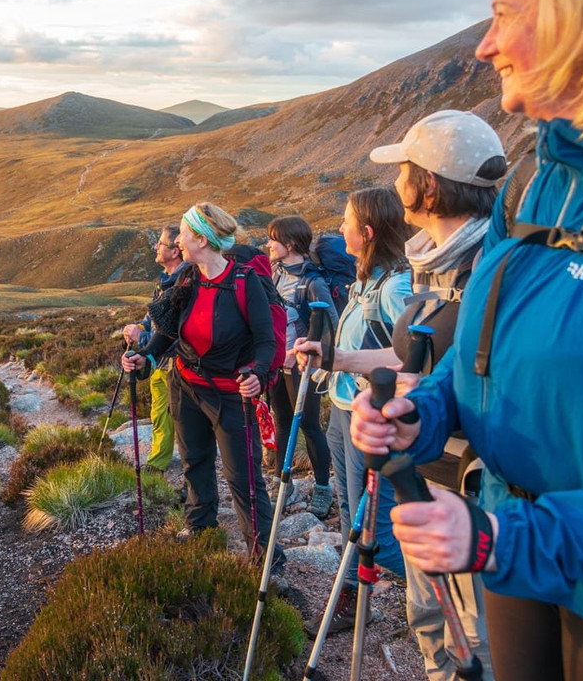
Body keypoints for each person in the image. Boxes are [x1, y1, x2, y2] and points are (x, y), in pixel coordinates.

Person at [350, 0, 583, 681]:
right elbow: (483, 358)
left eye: (503, 16)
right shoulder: (529, 185)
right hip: (512, 554)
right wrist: (422, 415)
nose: (486, 44)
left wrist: (504, 539)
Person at [368, 109, 507, 680]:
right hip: (424, 474)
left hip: (475, 496)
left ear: (426, 184)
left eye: (404, 168)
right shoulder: (427, 263)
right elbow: (422, 366)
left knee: (479, 639)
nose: (396, 180)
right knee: (430, 618)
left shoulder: (493, 269)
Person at [122, 203, 287, 579]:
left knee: (242, 477)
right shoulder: (186, 280)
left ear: (201, 239)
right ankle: (200, 527)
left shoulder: (245, 283)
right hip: (186, 386)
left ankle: (265, 556)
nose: (176, 240)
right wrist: (144, 359)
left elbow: (264, 341)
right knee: (195, 461)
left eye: (182, 233)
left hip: (231, 395)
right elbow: (165, 334)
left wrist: (259, 373)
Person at [295, 187, 412, 633]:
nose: (339, 228)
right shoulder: (367, 280)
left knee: (376, 535)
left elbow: (410, 359)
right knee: (350, 514)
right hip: (345, 410)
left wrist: (339, 359)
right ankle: (350, 601)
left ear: (366, 231)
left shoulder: (397, 286)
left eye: (345, 222)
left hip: (373, 420)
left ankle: (450, 586)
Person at [265, 215, 337, 518]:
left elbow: (330, 322)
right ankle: (286, 483)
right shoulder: (275, 274)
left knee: (309, 425)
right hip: (278, 363)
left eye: (273, 239)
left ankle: (323, 487)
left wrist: (304, 347)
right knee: (281, 420)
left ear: (290, 244)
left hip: (301, 367)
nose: (268, 244)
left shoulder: (312, 282)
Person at [122, 224, 186, 473]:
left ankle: (184, 469)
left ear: (175, 251)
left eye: (160, 243)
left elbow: (174, 334)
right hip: (159, 362)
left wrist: (143, 336)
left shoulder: (183, 283)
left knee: (180, 417)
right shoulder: (162, 282)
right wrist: (138, 328)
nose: (155, 247)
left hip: (176, 364)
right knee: (160, 412)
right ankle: (159, 461)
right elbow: (153, 321)